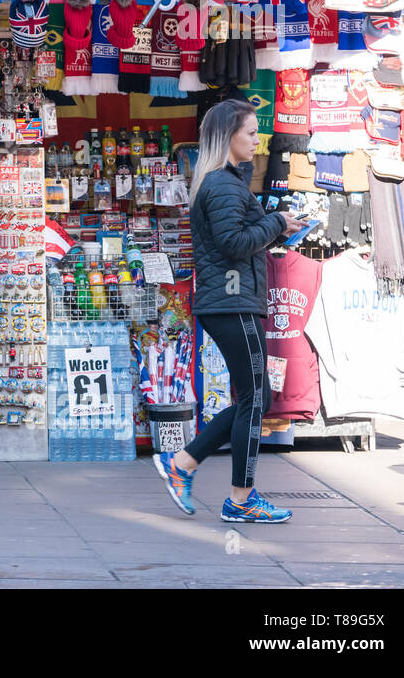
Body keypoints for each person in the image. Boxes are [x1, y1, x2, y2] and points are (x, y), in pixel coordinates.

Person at [154, 99, 307, 524]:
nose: (257, 140)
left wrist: (277, 226)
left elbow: (238, 239)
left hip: (233, 300)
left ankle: (185, 464)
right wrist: (276, 222)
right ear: (227, 137)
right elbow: (234, 244)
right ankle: (239, 498)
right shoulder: (222, 185)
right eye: (251, 132)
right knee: (256, 398)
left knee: (255, 397)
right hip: (232, 301)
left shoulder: (226, 182)